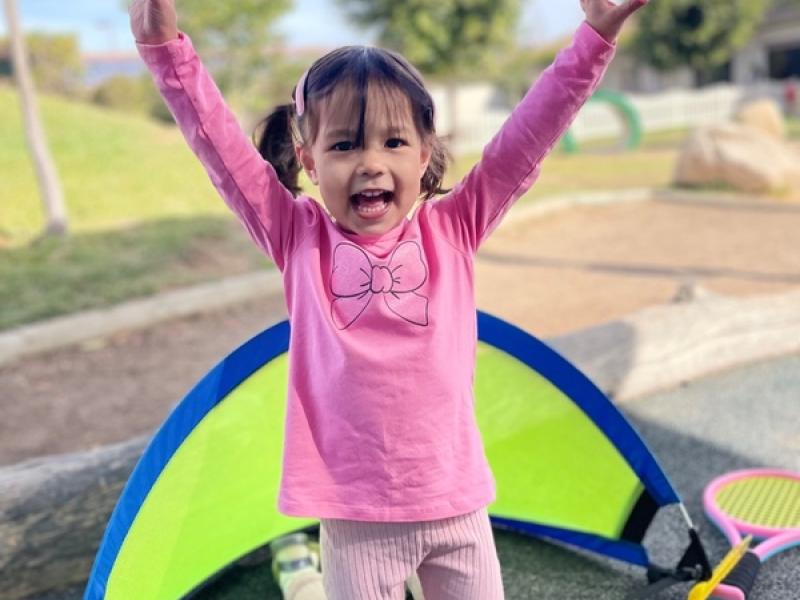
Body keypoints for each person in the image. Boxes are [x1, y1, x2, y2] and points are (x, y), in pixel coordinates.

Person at [129, 1, 648, 598]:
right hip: (355, 523)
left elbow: (532, 133)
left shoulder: (454, 228)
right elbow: (220, 150)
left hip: (457, 508)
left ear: (424, 154)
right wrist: (164, 51)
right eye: (345, 145)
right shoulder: (297, 237)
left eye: (393, 141)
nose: (371, 164)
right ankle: (301, 576)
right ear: (309, 161)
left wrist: (595, 36)